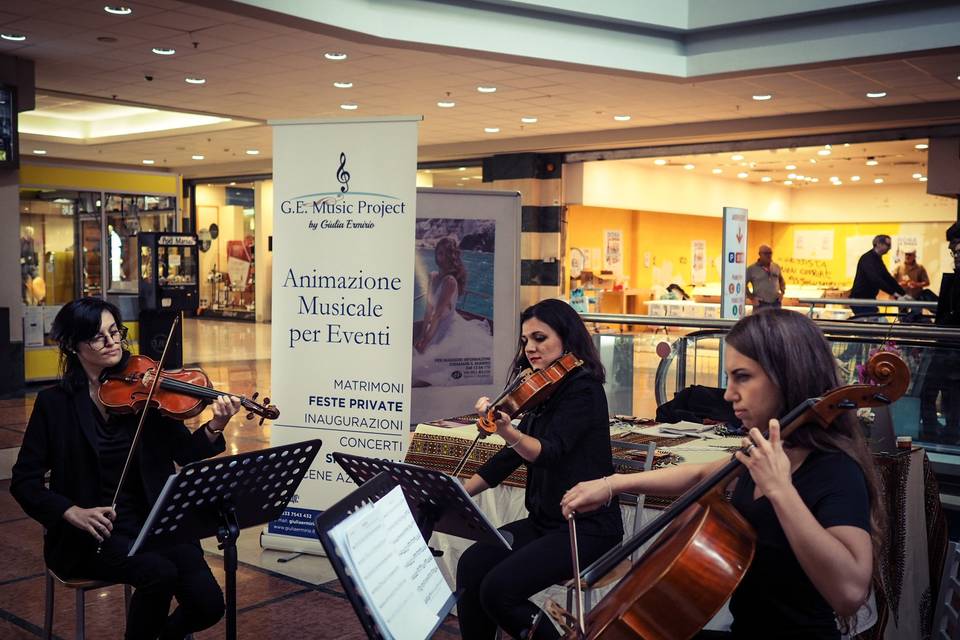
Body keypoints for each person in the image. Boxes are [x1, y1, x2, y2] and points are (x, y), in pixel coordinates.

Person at [562, 309, 883, 640]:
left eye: (742, 377)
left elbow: (849, 593)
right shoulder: (766, 453)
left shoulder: (835, 470)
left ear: (787, 377)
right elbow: (699, 474)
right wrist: (612, 484)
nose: (729, 394)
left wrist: (781, 490)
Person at [11, 297, 242, 640]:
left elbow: (187, 452)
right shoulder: (54, 404)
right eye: (98, 336)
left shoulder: (146, 393)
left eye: (115, 330)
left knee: (209, 604)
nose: (112, 341)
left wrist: (215, 426)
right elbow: (24, 482)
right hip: (93, 536)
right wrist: (70, 512)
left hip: (154, 523)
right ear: (74, 346)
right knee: (158, 573)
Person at [456, 299, 623, 639]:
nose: (530, 348)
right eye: (525, 341)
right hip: (545, 523)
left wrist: (508, 430)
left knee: (498, 591)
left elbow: (546, 452)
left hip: (585, 528)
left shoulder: (583, 391)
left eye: (539, 338)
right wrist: (460, 492)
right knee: (472, 564)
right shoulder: (544, 390)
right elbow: (511, 457)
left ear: (567, 339)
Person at [412, 236, 493, 387]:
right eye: (439, 253)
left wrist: (426, 341)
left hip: (449, 328)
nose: (440, 257)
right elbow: (429, 310)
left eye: (444, 254)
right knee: (420, 355)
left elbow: (437, 314)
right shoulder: (433, 276)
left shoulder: (450, 281)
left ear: (451, 257)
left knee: (428, 363)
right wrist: (422, 335)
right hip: (434, 327)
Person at [920, 223, 960, 439]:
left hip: (949, 347)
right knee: (946, 394)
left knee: (931, 391)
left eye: (955, 248)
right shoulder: (954, 276)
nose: (954, 254)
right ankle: (945, 433)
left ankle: (936, 433)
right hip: (948, 345)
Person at [849, 234, 905, 318]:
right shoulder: (868, 258)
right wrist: (894, 293)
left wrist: (903, 294)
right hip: (860, 300)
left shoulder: (877, 258)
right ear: (878, 244)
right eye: (888, 245)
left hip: (868, 299)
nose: (890, 248)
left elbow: (887, 277)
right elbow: (875, 279)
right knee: (875, 322)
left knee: (875, 321)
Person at [745, 245, 786, 309]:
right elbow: (743, 285)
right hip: (761, 304)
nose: (768, 255)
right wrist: (752, 298)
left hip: (776, 303)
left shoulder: (776, 267)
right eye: (766, 253)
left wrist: (782, 293)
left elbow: (781, 281)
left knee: (776, 319)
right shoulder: (752, 269)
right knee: (760, 319)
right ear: (759, 254)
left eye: (770, 253)